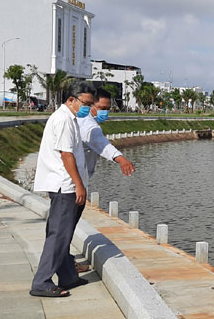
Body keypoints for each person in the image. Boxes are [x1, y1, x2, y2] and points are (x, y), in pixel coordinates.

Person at [30, 80, 96, 297]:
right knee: (58, 234)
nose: (88, 107)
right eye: (85, 103)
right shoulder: (63, 119)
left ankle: (68, 276)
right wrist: (78, 185)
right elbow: (66, 155)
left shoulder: (71, 118)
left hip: (67, 184)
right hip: (65, 186)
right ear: (71, 100)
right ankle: (42, 282)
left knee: (64, 233)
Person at [78, 88, 136, 179]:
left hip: (79, 177)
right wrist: (121, 159)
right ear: (90, 105)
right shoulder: (88, 124)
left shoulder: (87, 119)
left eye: (108, 109)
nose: (104, 112)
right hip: (71, 181)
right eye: (102, 108)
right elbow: (102, 143)